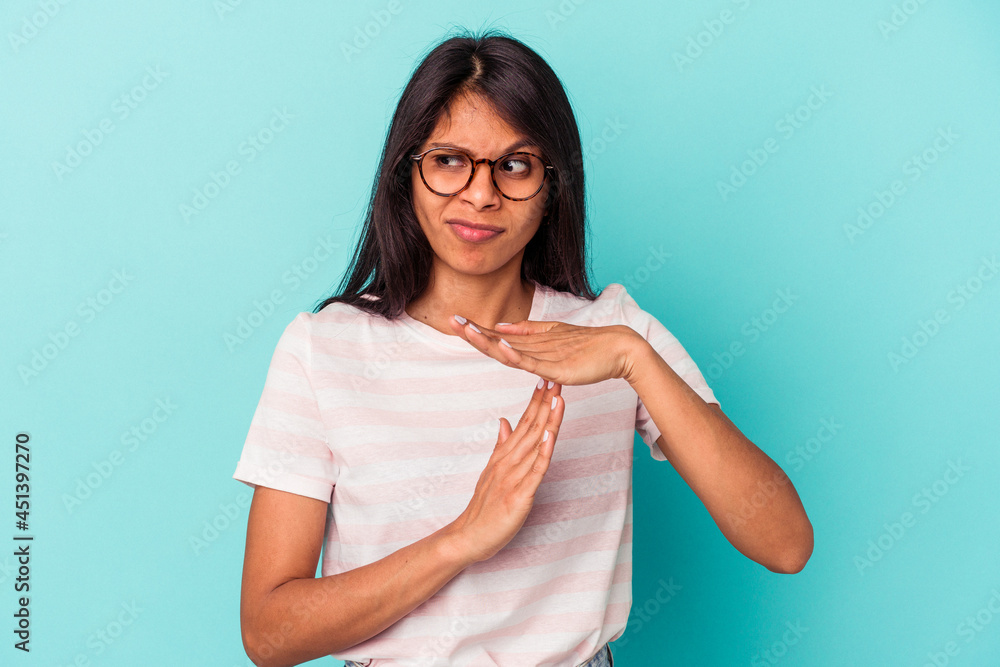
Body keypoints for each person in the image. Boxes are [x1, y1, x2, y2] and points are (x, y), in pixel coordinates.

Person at [232, 28, 813, 667]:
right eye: (450, 159)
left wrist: (632, 358)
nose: (480, 195)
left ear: (551, 186)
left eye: (514, 165)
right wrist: (462, 539)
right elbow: (269, 634)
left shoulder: (618, 334)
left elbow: (784, 544)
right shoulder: (323, 350)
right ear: (407, 173)